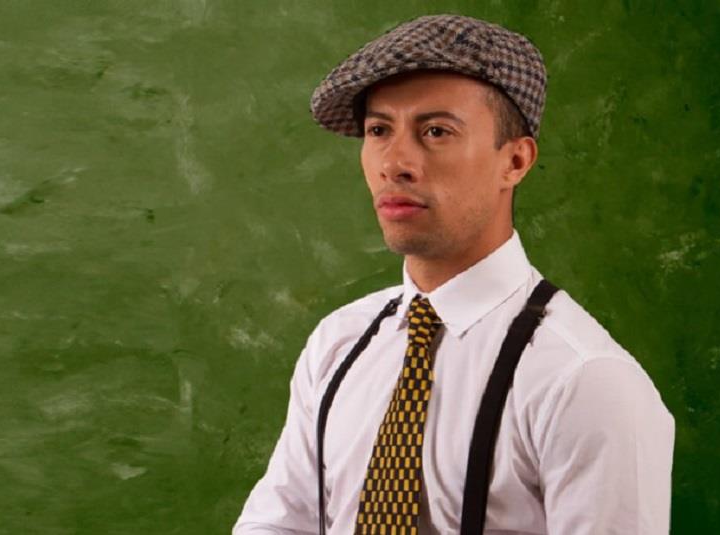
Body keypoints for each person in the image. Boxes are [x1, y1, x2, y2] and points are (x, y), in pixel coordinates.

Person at [234, 14, 674, 535]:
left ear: (515, 160)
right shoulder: (339, 343)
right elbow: (279, 524)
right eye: (379, 130)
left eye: (436, 131)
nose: (394, 162)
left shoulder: (583, 380)